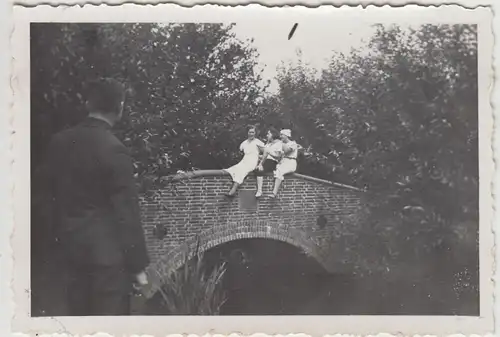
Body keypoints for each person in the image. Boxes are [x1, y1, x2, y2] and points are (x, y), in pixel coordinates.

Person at [39, 77, 150, 316]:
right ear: (119, 107)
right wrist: (137, 266)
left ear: (88, 104)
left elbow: (45, 200)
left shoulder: (58, 142)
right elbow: (126, 213)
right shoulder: (114, 148)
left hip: (67, 257)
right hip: (106, 266)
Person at [223, 125, 264, 197]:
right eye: (250, 132)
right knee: (233, 169)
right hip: (244, 161)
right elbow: (241, 153)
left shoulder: (258, 142)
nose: (251, 134)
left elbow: (265, 153)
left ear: (255, 133)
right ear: (247, 133)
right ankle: (227, 187)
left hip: (252, 162)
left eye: (253, 132)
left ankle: (233, 191)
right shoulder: (244, 143)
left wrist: (260, 162)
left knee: (241, 171)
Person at [254, 127, 283, 198]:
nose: (267, 135)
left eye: (268, 134)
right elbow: (264, 155)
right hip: (265, 161)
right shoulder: (268, 144)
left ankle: (259, 191)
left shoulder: (279, 143)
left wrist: (269, 153)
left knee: (259, 169)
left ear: (273, 134)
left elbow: (279, 156)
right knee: (255, 169)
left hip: (273, 162)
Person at [270, 129, 298, 198]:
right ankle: (281, 185)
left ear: (286, 135)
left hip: (290, 162)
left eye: (282, 135)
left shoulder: (293, 143)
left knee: (280, 171)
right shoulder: (281, 144)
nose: (280, 136)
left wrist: (281, 143)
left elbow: (287, 151)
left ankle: (274, 193)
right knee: (276, 171)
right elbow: (278, 156)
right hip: (283, 162)